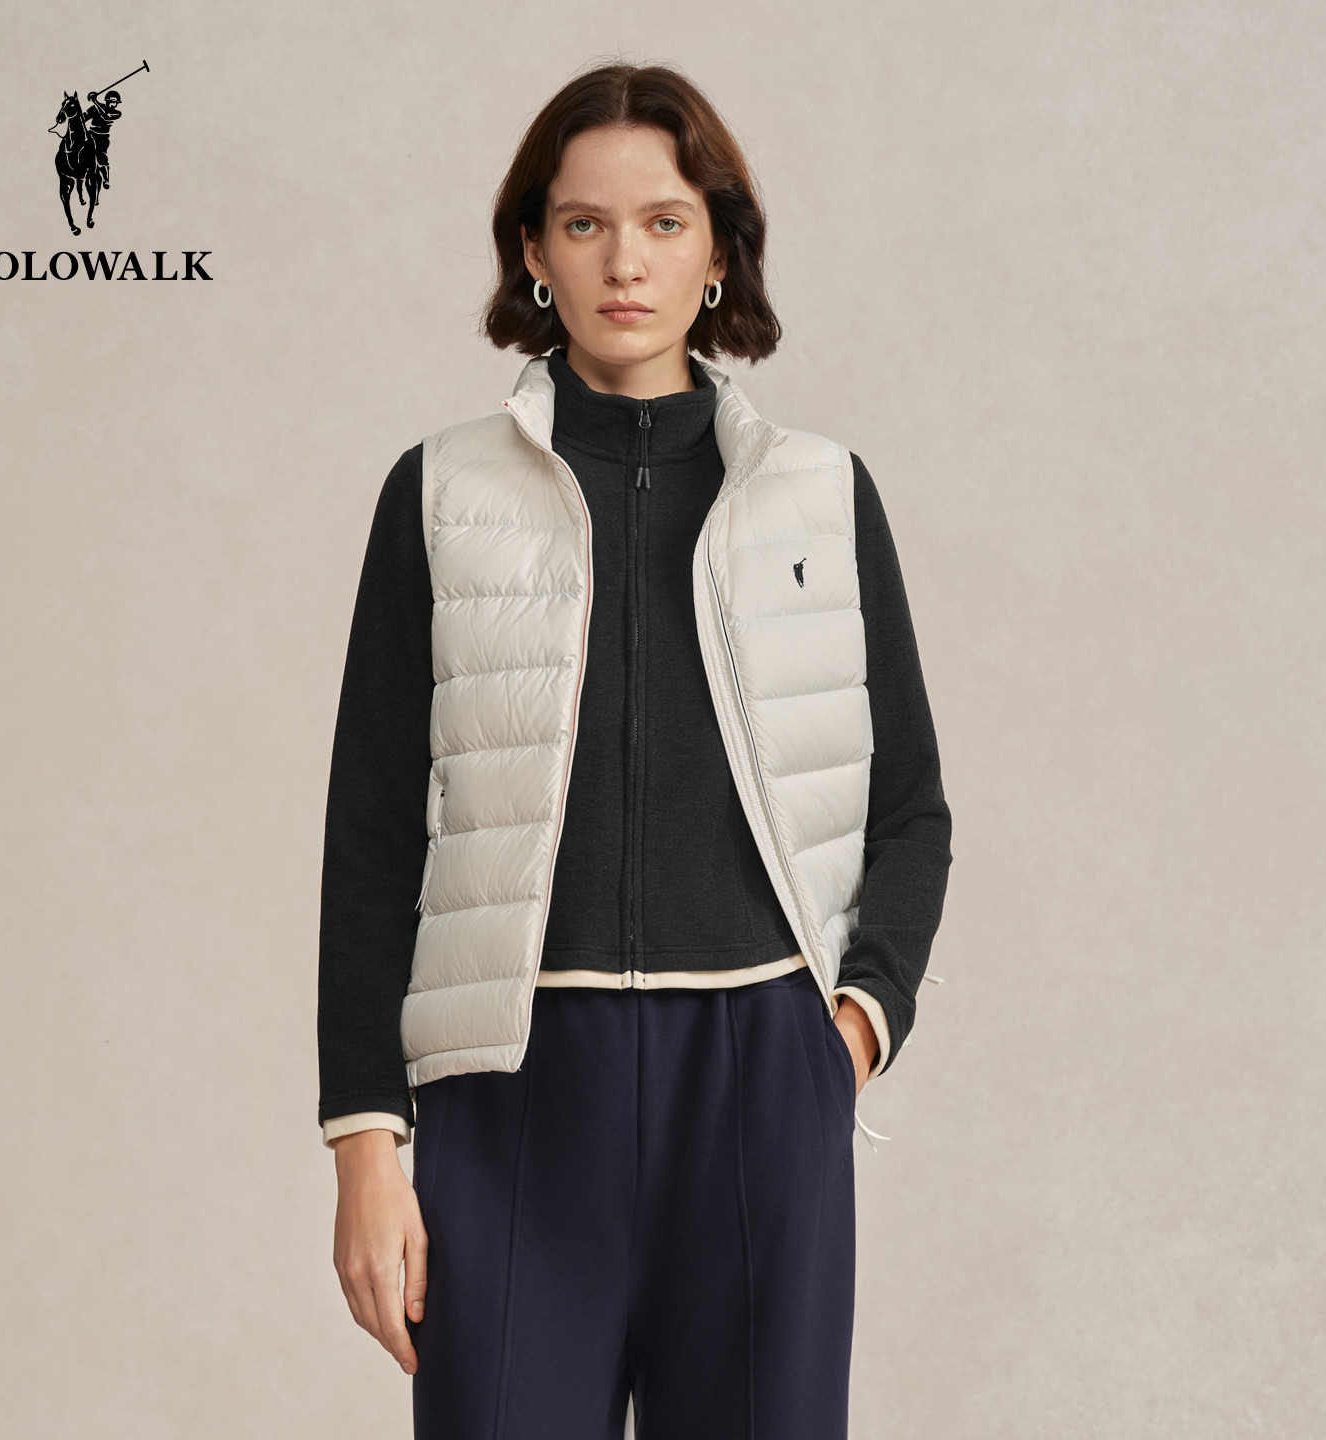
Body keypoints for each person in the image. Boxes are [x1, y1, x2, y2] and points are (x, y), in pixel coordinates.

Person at [317, 61, 952, 1440]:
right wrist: (365, 1142)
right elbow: (370, 836)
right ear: (534, 251)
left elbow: (910, 807)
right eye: (585, 223)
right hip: (511, 1090)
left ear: (718, 252)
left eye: (664, 222)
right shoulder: (440, 494)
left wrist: (847, 1033)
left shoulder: (823, 496)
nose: (625, 262)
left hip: (759, 1076)